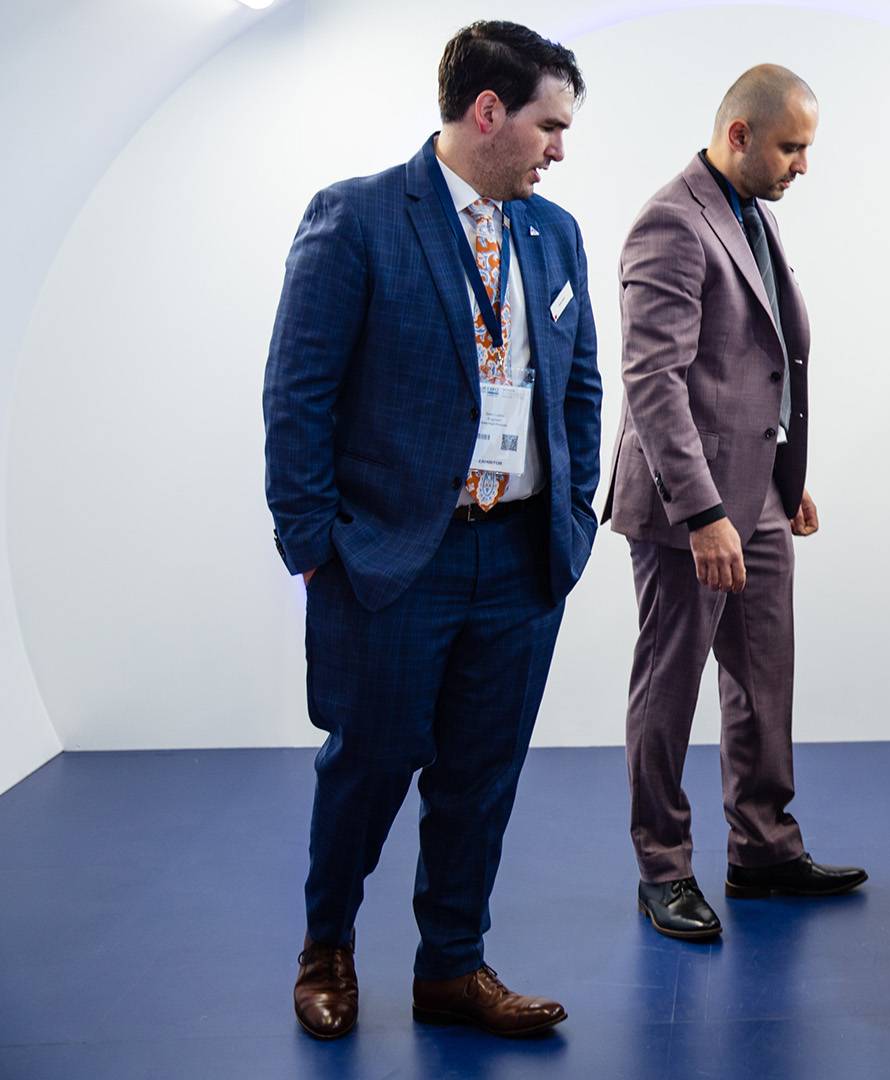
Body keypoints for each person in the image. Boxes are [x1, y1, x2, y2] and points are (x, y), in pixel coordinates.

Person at [263, 20, 600, 1039]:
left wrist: (573, 518)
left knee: (481, 773)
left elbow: (578, 385)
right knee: (368, 763)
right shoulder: (358, 217)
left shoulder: (555, 234)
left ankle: (452, 966)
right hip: (394, 555)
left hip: (521, 553)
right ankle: (327, 948)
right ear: (488, 113)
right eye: (549, 125)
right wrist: (315, 547)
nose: (558, 147)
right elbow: (298, 393)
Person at [605, 64, 864, 942]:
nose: (802, 166)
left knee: (763, 679)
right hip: (691, 507)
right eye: (792, 146)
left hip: (756, 494)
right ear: (741, 135)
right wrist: (706, 511)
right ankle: (663, 869)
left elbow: (759, 361)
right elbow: (655, 383)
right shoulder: (672, 222)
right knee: (669, 686)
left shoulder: (751, 215)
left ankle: (763, 849)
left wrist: (783, 479)